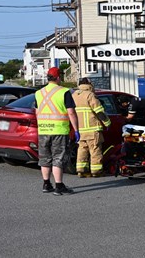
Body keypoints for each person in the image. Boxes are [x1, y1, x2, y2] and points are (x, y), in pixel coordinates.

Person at [35, 67, 80, 195]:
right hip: (59, 130)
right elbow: (71, 112)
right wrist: (76, 130)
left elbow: (37, 112)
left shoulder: (39, 93)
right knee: (58, 158)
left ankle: (46, 184)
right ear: (58, 77)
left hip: (43, 130)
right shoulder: (64, 92)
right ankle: (59, 186)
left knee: (45, 158)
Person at [72, 78, 111, 178]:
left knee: (82, 149)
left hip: (80, 130)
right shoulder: (90, 95)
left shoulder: (74, 95)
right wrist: (107, 123)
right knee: (95, 150)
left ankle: (81, 171)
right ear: (89, 84)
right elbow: (99, 111)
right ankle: (96, 171)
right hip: (92, 128)